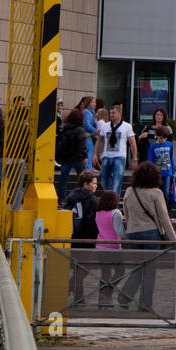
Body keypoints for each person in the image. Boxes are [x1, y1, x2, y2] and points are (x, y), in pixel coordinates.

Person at [122, 162, 176, 313]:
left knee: (138, 267)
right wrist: (174, 240)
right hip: (150, 233)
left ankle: (125, 294)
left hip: (133, 232)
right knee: (150, 271)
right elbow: (164, 218)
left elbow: (126, 212)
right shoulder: (156, 193)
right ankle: (145, 304)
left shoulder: (129, 191)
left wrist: (131, 228)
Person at [64, 170, 100, 303]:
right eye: (94, 183)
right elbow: (92, 220)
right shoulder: (91, 199)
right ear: (86, 184)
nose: (96, 186)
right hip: (86, 238)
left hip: (72, 237)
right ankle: (68, 287)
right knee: (84, 268)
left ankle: (79, 298)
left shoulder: (72, 196)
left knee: (77, 268)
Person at [94, 190, 127, 308]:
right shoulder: (116, 213)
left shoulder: (98, 212)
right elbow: (119, 231)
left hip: (100, 246)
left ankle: (102, 299)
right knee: (120, 272)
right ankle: (108, 292)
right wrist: (127, 236)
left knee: (105, 273)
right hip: (113, 247)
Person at [95, 104, 136, 196]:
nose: (111, 115)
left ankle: (114, 200)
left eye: (114, 113)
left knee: (117, 180)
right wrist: (96, 154)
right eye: (110, 113)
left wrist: (134, 158)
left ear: (120, 113)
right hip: (106, 155)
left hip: (119, 156)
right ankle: (110, 195)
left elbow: (132, 142)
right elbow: (100, 140)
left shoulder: (126, 126)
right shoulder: (105, 126)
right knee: (103, 178)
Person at [55, 109, 88, 203]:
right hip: (78, 158)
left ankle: (61, 198)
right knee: (82, 179)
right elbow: (82, 145)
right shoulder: (80, 130)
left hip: (66, 158)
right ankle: (82, 198)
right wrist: (85, 156)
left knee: (63, 179)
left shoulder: (65, 129)